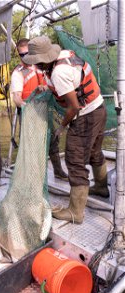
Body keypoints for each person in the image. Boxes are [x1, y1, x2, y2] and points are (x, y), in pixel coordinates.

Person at [22, 36, 109, 224]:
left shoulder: (58, 72)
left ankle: (75, 212)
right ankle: (102, 187)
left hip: (85, 116)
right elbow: (73, 82)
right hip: (99, 109)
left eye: (36, 62)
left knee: (74, 160)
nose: (35, 66)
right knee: (94, 151)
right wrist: (46, 87)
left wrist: (61, 127)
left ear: (43, 60)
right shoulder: (65, 56)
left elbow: (74, 107)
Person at [11, 38, 68, 180]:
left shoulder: (42, 66)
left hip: (46, 111)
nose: (25, 57)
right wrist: (25, 106)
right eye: (21, 55)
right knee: (32, 148)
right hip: (29, 113)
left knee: (53, 141)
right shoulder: (18, 73)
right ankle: (32, 179)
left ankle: (58, 171)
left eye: (27, 54)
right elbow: (16, 98)